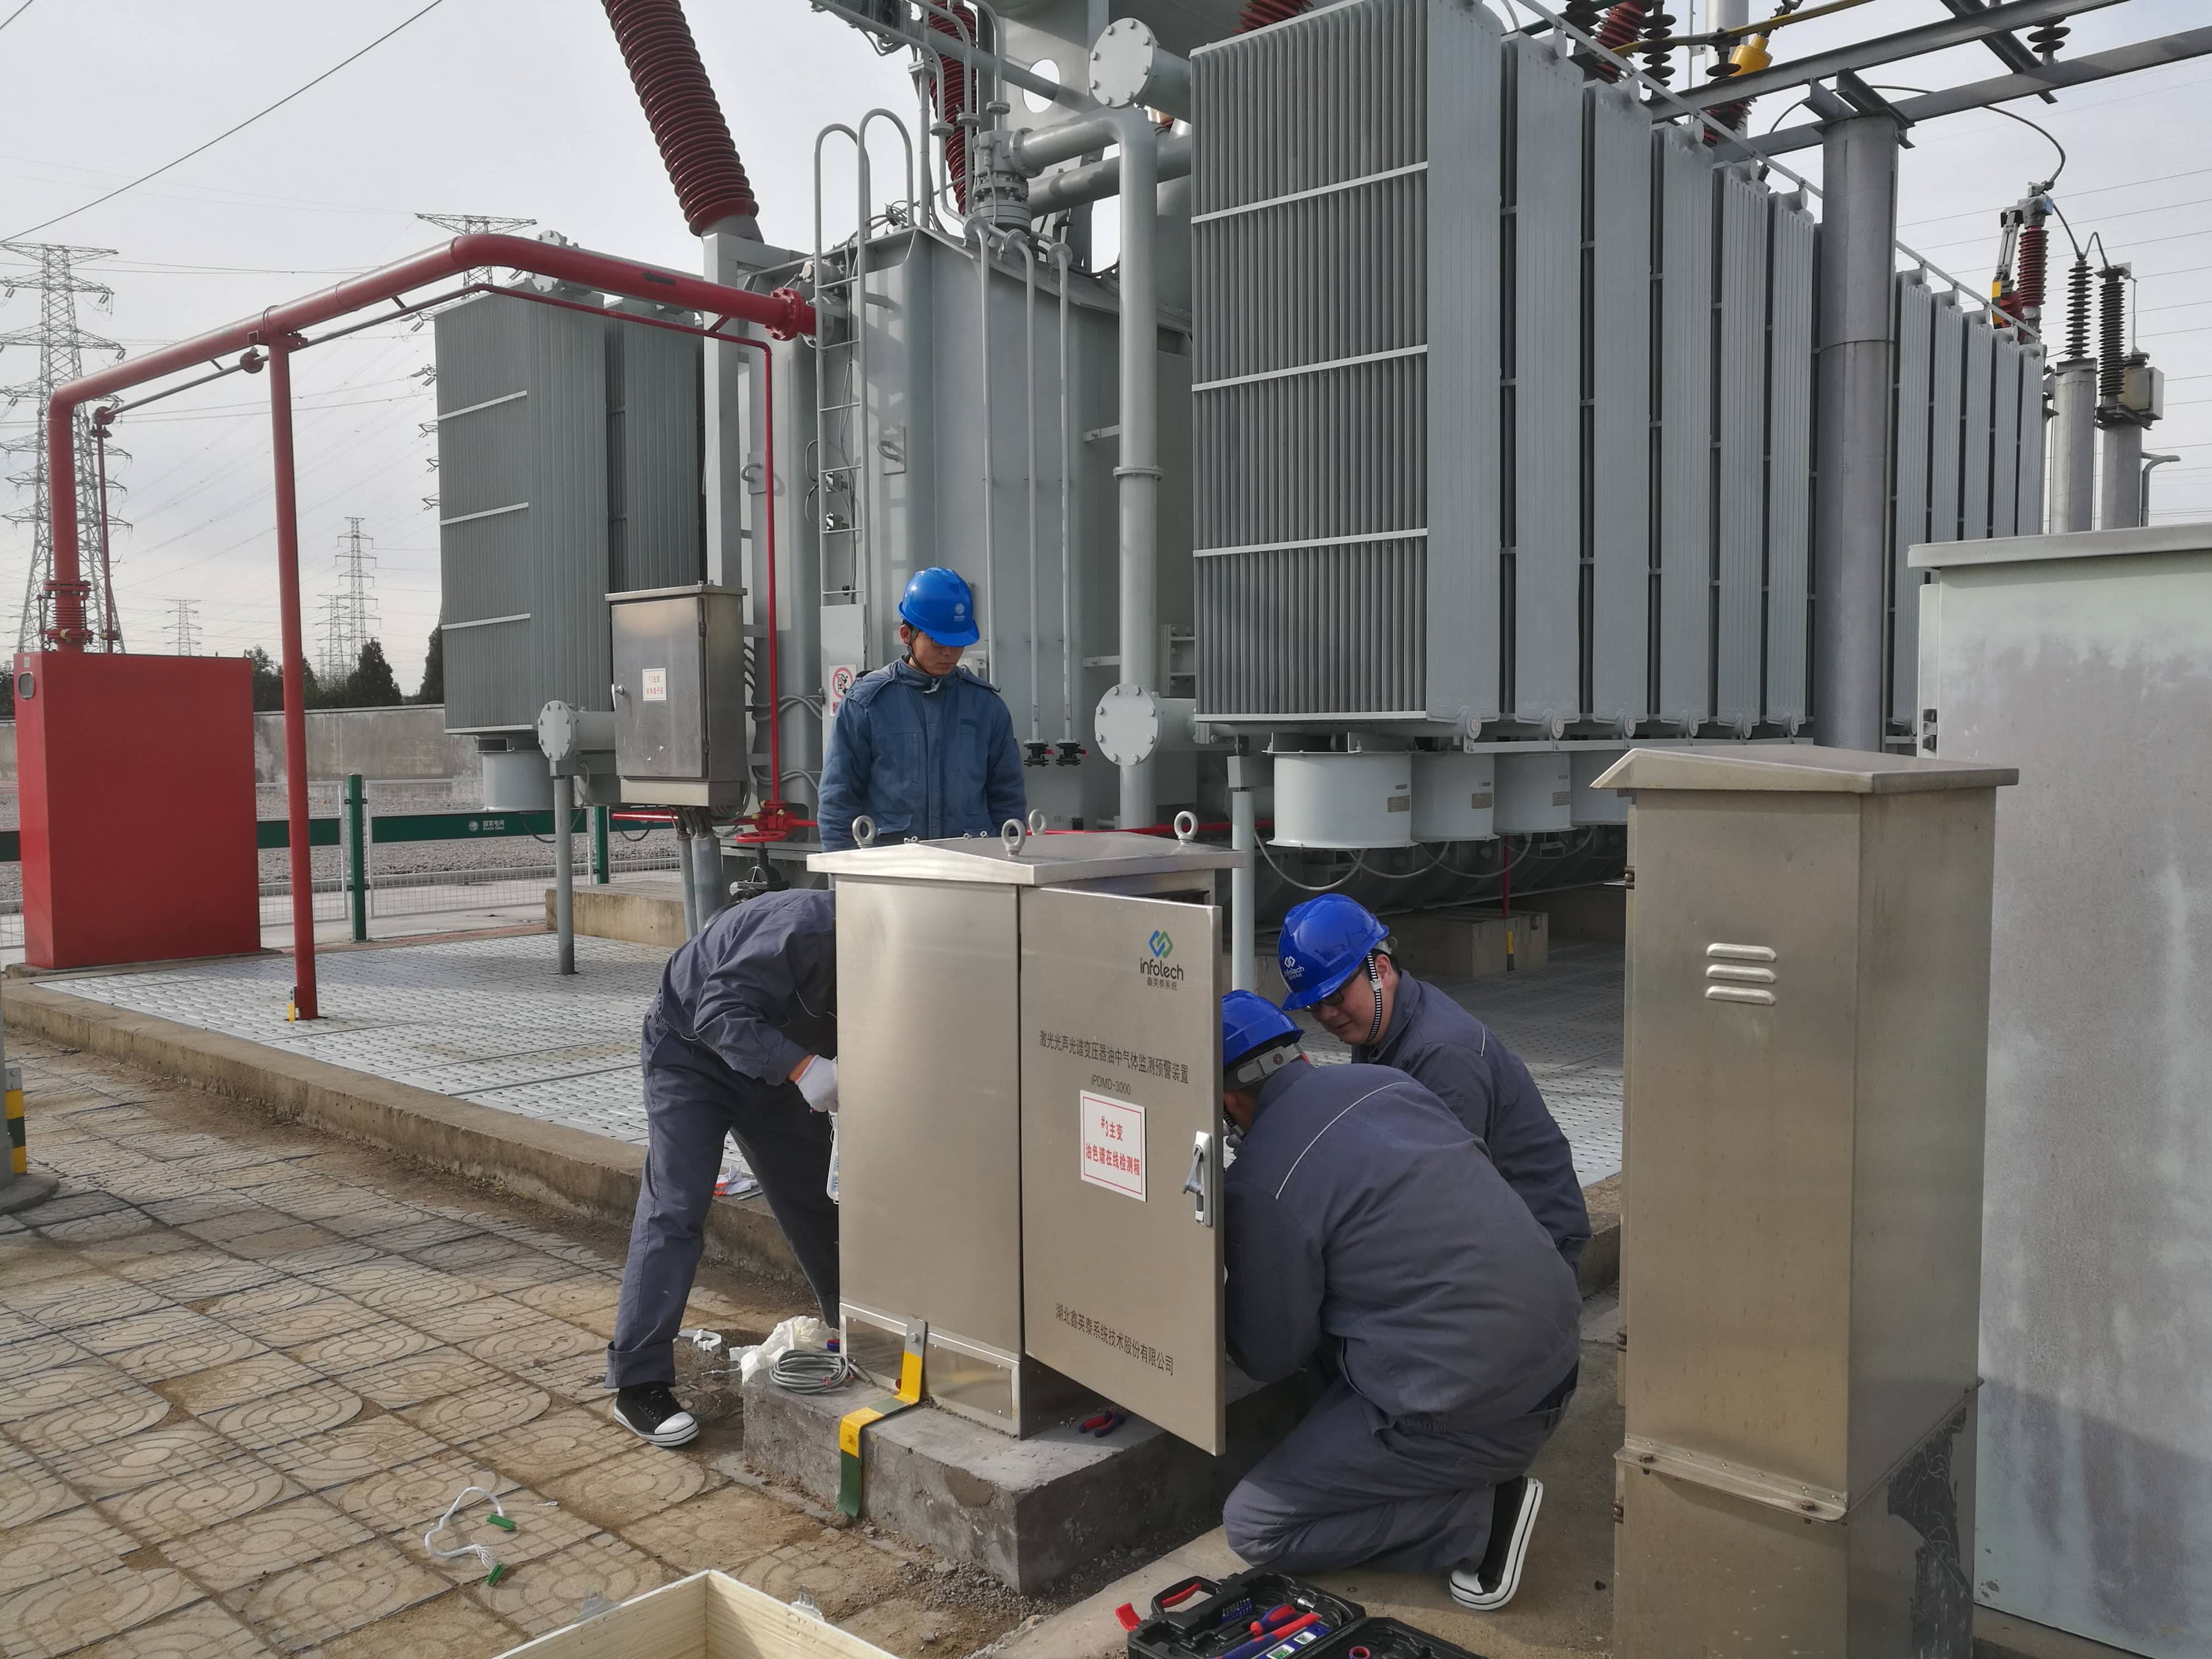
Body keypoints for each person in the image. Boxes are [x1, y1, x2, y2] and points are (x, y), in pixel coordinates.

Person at [1215, 991, 1582, 1609]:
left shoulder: (1260, 1180)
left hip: (1482, 1412)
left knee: (1256, 1524)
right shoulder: (1387, 1083)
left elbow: (1269, 1355)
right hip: (1558, 1357)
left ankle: (1479, 1523)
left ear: (1227, 1101)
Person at [605, 889, 841, 1448]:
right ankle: (637, 1384)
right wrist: (806, 1068)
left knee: (816, 1201)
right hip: (692, 1056)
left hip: (778, 1075)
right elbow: (718, 1012)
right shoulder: (808, 930)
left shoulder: (910, 962)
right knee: (676, 1207)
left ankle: (855, 1333)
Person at [1278, 894, 1592, 1274]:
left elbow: (1443, 1196)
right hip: (1491, 1229)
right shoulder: (1381, 1028)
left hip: (1534, 1253)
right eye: (1313, 1006)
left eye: (1335, 996)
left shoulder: (1442, 1055)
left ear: (1381, 971)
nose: (1327, 1015)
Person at [817, 566, 1026, 851]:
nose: (950, 653)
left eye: (958, 643)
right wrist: (844, 869)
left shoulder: (986, 707)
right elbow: (838, 798)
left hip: (971, 864)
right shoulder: (867, 704)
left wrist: (1008, 860)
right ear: (907, 635)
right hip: (890, 867)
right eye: (939, 642)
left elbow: (1008, 798)